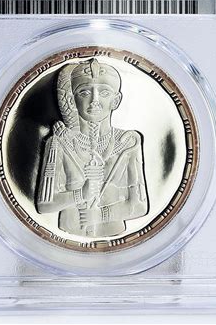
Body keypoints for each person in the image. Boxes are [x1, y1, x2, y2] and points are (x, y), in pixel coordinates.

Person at [36, 58, 148, 237]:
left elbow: (139, 205)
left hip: (113, 234)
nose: (94, 100)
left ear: (116, 100)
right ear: (72, 100)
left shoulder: (128, 142)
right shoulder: (58, 142)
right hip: (70, 233)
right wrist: (81, 194)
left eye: (104, 92)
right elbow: (44, 205)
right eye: (84, 92)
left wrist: (102, 215)